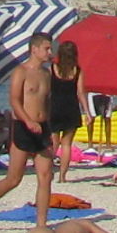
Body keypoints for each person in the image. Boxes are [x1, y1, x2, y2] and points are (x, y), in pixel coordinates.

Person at [0, 32, 59, 233]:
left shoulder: (47, 73)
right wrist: (28, 121)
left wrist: (52, 131)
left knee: (46, 176)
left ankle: (41, 225)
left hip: (42, 128)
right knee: (14, 178)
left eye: (50, 48)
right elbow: (15, 101)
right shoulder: (21, 71)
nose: (50, 52)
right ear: (35, 49)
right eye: (47, 48)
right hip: (23, 126)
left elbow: (47, 103)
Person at [46, 40, 84, 180]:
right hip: (71, 108)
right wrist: (88, 111)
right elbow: (80, 93)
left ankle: (49, 172)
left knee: (53, 143)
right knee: (66, 144)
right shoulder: (77, 70)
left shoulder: (52, 68)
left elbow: (47, 91)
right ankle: (62, 176)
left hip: (55, 107)